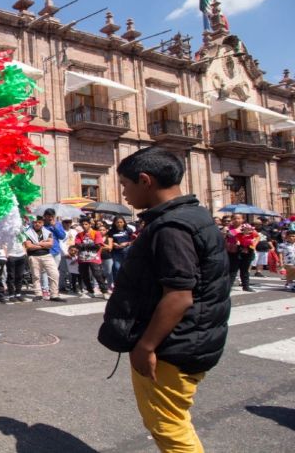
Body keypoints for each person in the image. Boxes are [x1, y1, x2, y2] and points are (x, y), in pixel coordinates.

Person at [99, 147, 230, 452]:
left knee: (169, 427)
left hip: (172, 347)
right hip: (192, 339)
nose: (123, 193)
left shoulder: (171, 227)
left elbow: (179, 296)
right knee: (170, 421)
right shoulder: (193, 215)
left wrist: (146, 346)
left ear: (145, 180)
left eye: (125, 184)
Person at [23, 216, 64, 302]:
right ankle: (38, 294)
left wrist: (36, 244)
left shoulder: (47, 232)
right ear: (32, 223)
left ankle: (54, 295)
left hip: (47, 255)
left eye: (39, 222)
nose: (37, 224)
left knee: (54, 274)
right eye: (35, 222)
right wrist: (42, 244)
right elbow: (29, 246)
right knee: (36, 276)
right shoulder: (27, 233)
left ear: (42, 223)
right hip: (33, 256)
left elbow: (50, 244)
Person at [75, 218, 109, 297]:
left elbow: (97, 245)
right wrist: (90, 245)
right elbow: (77, 245)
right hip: (82, 258)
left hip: (94, 257)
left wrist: (84, 245)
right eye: (82, 224)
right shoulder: (79, 234)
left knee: (97, 274)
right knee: (84, 274)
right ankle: (90, 291)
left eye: (86, 224)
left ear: (90, 224)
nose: (84, 226)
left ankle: (104, 291)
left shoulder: (96, 233)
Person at [41, 209, 68, 293]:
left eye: (52, 216)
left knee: (54, 271)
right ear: (44, 216)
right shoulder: (41, 225)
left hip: (55, 251)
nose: (50, 218)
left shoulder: (57, 224)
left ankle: (53, 288)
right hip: (44, 251)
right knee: (44, 271)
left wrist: (55, 227)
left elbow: (62, 236)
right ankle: (45, 288)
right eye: (48, 216)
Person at [234, 223, 258, 292]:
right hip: (239, 252)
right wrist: (238, 243)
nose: (247, 230)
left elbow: (257, 239)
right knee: (234, 270)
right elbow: (236, 240)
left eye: (248, 229)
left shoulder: (253, 235)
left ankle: (246, 286)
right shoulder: (239, 235)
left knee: (245, 270)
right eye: (245, 229)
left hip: (248, 253)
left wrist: (252, 244)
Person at [6, 231, 28, 302]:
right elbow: (3, 244)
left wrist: (25, 253)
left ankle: (18, 293)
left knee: (20, 276)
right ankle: (11, 294)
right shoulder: (7, 233)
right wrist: (6, 255)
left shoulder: (21, 233)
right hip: (11, 255)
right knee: (11, 276)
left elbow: (24, 243)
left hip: (21, 255)